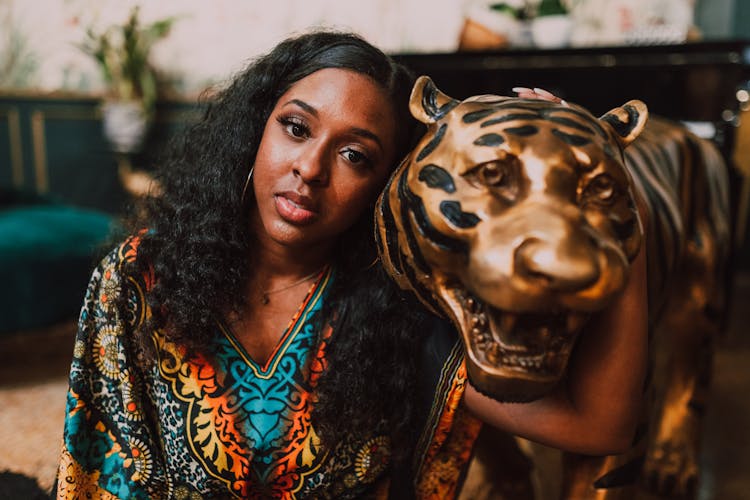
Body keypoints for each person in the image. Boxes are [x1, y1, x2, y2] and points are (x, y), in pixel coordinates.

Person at [56, 30, 648, 499]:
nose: (310, 169)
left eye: (353, 154)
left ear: (386, 183)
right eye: (295, 128)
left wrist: (600, 197)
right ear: (253, 130)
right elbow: (104, 478)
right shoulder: (142, 278)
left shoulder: (401, 312)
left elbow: (600, 427)